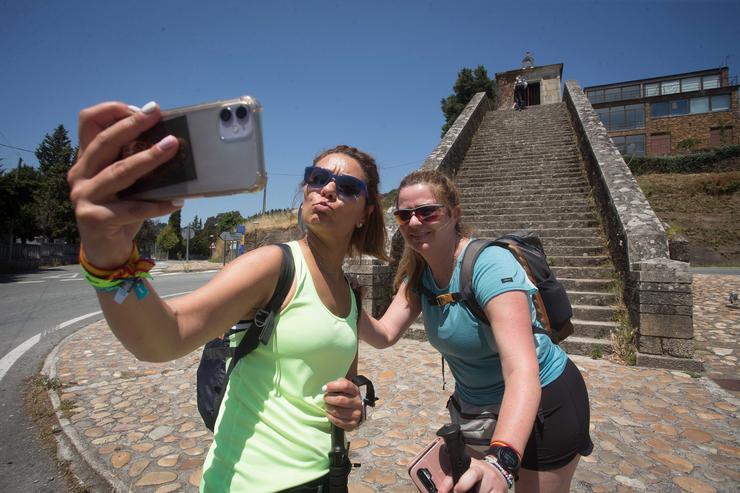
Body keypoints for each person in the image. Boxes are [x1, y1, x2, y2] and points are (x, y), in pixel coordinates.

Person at [67, 100, 388, 492]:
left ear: (365, 213)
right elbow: (168, 334)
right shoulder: (273, 264)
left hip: (328, 476)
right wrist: (109, 257)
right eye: (318, 177)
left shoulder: (350, 294)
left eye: (349, 187)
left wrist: (353, 409)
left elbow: (345, 385)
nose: (329, 189)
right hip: (250, 481)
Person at [359, 170, 592, 493]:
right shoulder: (419, 277)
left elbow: (521, 368)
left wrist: (502, 459)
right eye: (404, 215)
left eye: (428, 211)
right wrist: (346, 302)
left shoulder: (490, 265)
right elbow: (384, 334)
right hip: (477, 413)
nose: (414, 222)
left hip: (543, 404)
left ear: (454, 214)